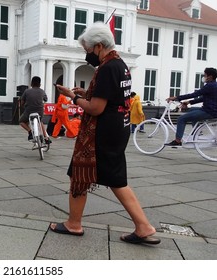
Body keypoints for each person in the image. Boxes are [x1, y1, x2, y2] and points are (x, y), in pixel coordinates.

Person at [52, 22, 160, 245]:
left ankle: (74, 224)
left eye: (88, 51)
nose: (87, 56)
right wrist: (85, 93)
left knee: (79, 174)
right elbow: (109, 98)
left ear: (99, 46)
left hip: (100, 132)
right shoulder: (120, 65)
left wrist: (73, 97)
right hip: (118, 128)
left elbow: (96, 108)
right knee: (116, 179)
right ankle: (143, 226)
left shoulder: (107, 69)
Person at [165, 67, 217, 146]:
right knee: (191, 110)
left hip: (209, 111)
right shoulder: (214, 85)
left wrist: (176, 97)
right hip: (211, 110)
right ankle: (196, 133)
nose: (204, 77)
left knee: (181, 119)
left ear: (210, 76)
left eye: (205, 75)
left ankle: (177, 141)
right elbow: (203, 98)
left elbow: (194, 94)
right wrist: (189, 102)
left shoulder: (209, 86)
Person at [19, 76, 51, 144]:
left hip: (29, 111)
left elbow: (22, 102)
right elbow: (45, 99)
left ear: (31, 83)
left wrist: (23, 106)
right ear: (40, 84)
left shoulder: (27, 91)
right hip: (40, 111)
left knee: (21, 121)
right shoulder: (42, 91)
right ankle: (46, 137)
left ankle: (30, 131)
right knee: (40, 121)